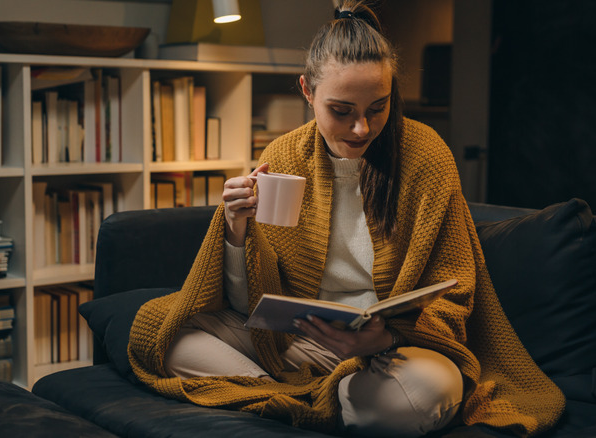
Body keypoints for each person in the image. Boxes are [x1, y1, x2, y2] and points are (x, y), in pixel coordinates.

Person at [128, 1, 565, 436]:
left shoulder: (426, 155)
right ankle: (298, 398)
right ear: (307, 91)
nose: (361, 128)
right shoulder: (283, 156)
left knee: (423, 392)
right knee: (163, 331)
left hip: (392, 348)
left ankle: (273, 395)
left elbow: (455, 289)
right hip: (299, 343)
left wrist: (386, 339)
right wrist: (237, 229)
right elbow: (249, 306)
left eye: (378, 107)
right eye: (342, 111)